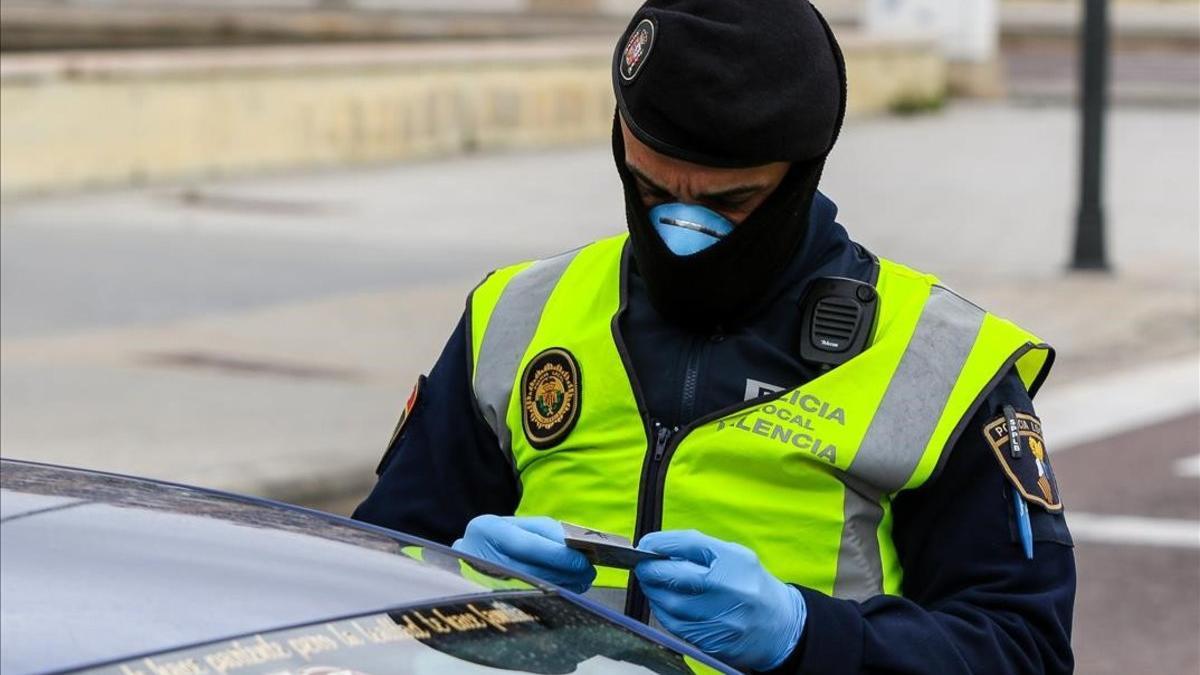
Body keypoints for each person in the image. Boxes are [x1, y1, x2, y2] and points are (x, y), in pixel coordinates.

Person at [354, 1, 1076, 672]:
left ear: (801, 174)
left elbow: (1022, 647)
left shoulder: (942, 361)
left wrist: (804, 634)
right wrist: (454, 579)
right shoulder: (514, 314)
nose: (681, 231)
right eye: (650, 190)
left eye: (729, 203)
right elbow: (355, 579)